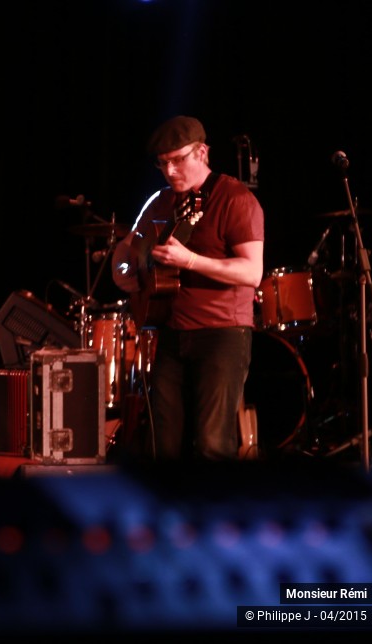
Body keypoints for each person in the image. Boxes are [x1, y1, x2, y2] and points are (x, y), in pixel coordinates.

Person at [111, 115, 264, 461]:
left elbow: (252, 271)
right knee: (163, 444)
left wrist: (191, 260)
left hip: (222, 333)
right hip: (170, 332)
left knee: (212, 444)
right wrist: (123, 272)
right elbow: (127, 246)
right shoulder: (160, 202)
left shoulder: (234, 198)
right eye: (162, 163)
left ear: (202, 153)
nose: (170, 171)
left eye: (178, 160)